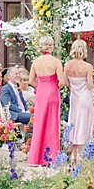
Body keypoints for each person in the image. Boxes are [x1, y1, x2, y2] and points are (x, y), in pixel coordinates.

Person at [27, 35, 65, 167]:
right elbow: (62, 81)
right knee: (52, 124)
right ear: (51, 46)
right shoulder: (56, 62)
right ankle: (52, 157)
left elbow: (31, 81)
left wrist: (40, 87)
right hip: (52, 92)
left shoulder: (36, 62)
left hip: (41, 93)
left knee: (39, 123)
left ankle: (36, 157)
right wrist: (55, 86)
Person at [65, 39, 94, 160]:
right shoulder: (87, 66)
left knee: (75, 120)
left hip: (74, 96)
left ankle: (74, 150)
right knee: (85, 121)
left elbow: (65, 82)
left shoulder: (67, 65)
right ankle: (82, 151)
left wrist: (75, 84)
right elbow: (90, 85)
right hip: (85, 97)